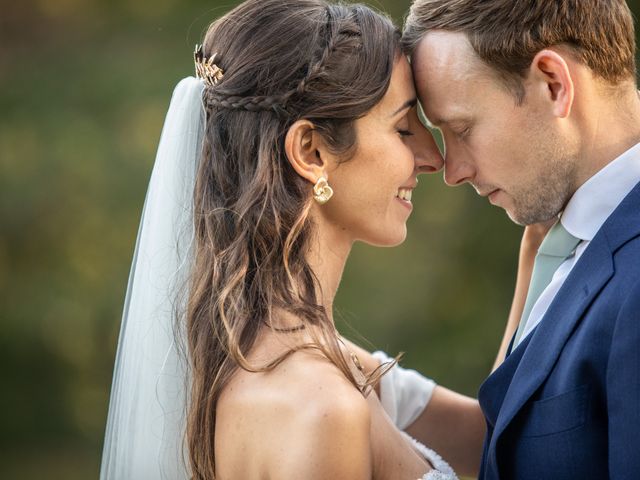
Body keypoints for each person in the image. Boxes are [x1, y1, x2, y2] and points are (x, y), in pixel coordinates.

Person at [98, 0, 492, 478]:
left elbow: (500, 441)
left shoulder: (299, 358)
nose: (433, 158)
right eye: (403, 128)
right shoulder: (319, 409)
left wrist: (539, 250)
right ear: (311, 151)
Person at [393, 0, 640, 478]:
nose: (453, 171)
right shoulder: (555, 238)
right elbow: (507, 445)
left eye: (461, 129)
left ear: (553, 84)